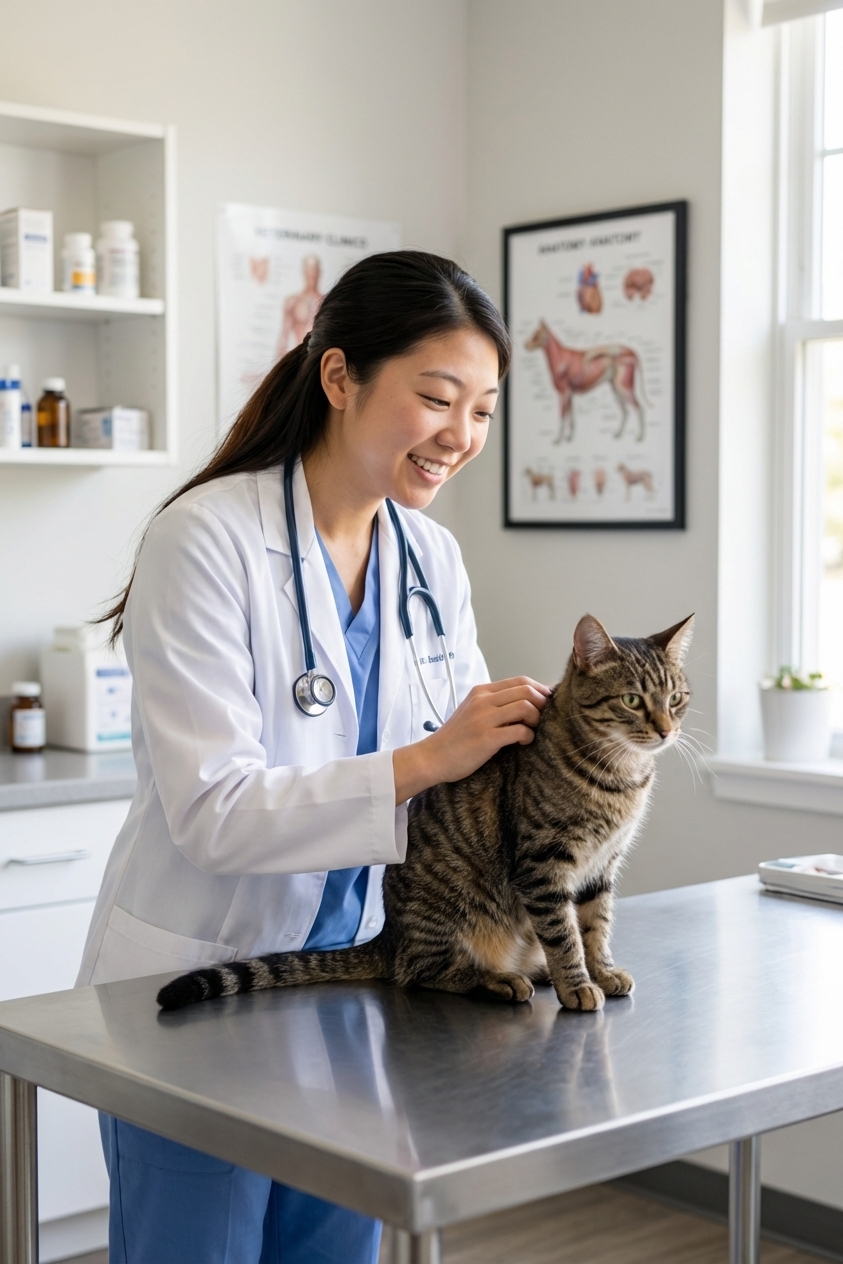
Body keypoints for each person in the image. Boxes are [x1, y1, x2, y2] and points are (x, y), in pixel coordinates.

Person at [78, 250, 550, 1264]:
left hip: (357, 1003)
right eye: (436, 398)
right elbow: (217, 811)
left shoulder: (432, 559)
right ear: (340, 378)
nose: (460, 437)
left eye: (483, 411)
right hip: (201, 998)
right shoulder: (205, 539)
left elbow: (463, 781)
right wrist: (429, 757)